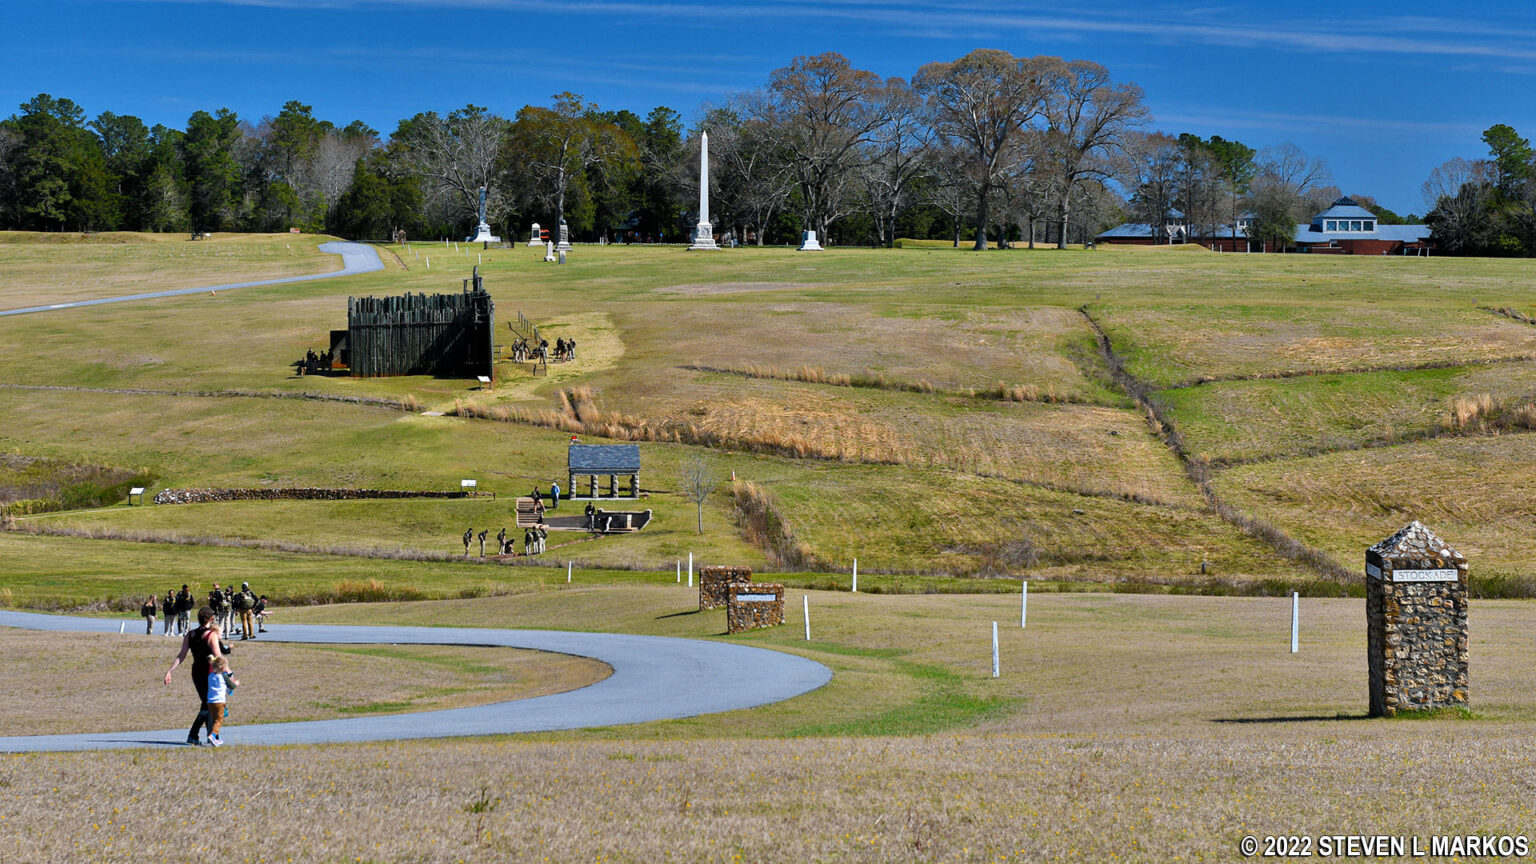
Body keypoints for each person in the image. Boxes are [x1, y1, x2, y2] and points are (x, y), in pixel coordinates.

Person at [164, 606, 224, 746]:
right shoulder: (211, 635)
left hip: (196, 671)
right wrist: (229, 674)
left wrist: (170, 671)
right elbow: (218, 656)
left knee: (207, 703)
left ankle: (208, 734)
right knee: (207, 704)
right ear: (211, 619)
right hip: (209, 672)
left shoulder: (190, 634)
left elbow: (182, 655)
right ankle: (197, 734)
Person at [204, 655, 238, 747]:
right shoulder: (223, 676)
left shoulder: (210, 676)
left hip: (210, 702)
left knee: (214, 720)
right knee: (219, 721)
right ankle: (212, 736)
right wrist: (236, 683)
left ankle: (215, 738)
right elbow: (232, 686)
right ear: (223, 668)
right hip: (220, 702)